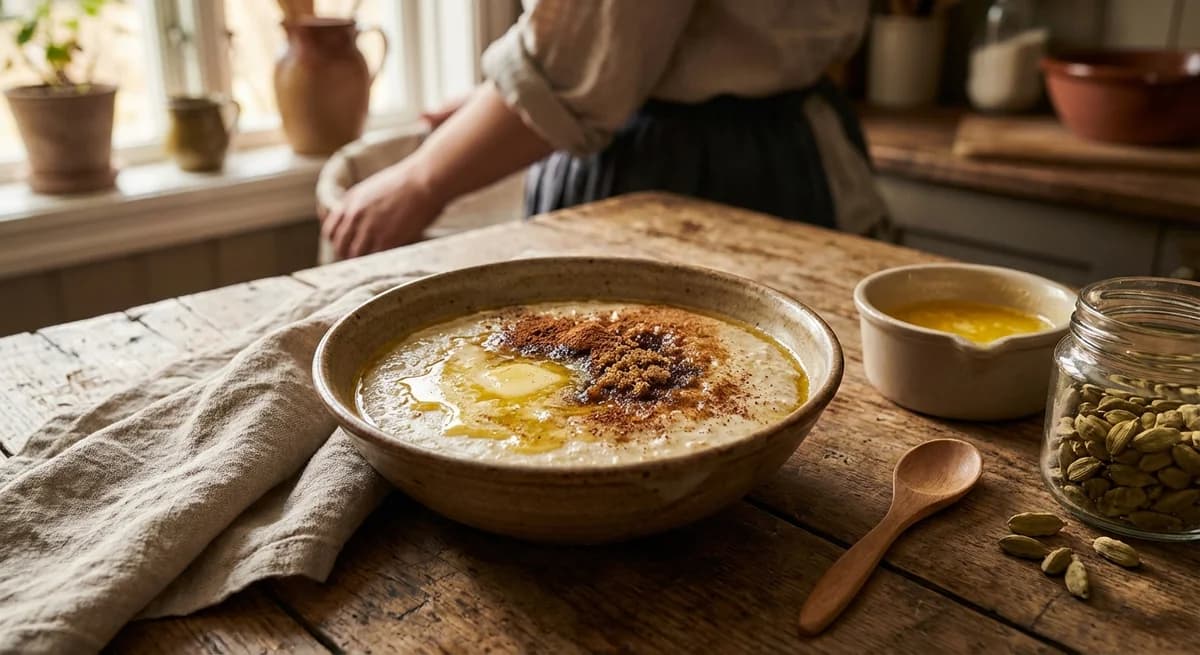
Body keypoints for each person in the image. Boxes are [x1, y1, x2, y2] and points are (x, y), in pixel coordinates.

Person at [322, 0, 886, 259]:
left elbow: (576, 67)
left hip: (694, 175)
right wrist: (488, 102)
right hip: (786, 138)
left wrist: (420, 182)